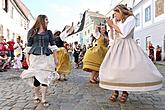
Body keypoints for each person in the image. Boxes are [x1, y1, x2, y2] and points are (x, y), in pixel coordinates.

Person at [99, 4, 163, 103]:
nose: (115, 16)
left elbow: (124, 34)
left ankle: (125, 91)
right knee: (113, 69)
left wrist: (113, 25)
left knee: (126, 69)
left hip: (127, 46)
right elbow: (113, 38)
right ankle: (115, 90)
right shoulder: (117, 21)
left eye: (116, 14)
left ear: (120, 12)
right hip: (116, 46)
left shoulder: (131, 19)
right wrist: (111, 28)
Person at [20, 15, 58, 107]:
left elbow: (53, 46)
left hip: (46, 57)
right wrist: (27, 59)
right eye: (46, 20)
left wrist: (56, 58)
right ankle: (37, 95)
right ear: (41, 20)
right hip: (35, 58)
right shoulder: (31, 31)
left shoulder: (49, 32)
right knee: (36, 78)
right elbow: (28, 47)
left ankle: (44, 98)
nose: (48, 21)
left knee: (45, 77)